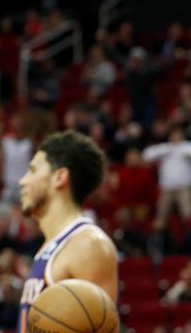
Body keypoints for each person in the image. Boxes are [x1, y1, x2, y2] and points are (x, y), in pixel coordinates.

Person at [16, 131, 117, 331]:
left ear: (59, 177)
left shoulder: (87, 245)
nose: (22, 181)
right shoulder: (50, 246)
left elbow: (101, 327)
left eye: (33, 170)